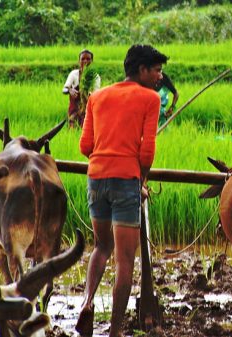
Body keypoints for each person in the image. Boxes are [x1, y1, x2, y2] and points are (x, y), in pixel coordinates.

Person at [76, 45, 166, 337]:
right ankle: (114, 331)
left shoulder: (98, 97)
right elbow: (148, 152)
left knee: (102, 247)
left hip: (96, 178)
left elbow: (85, 147)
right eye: (156, 70)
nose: (160, 77)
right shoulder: (150, 99)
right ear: (141, 70)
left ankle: (87, 302)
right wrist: (140, 182)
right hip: (125, 180)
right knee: (125, 259)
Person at [63, 49, 101, 128]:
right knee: (72, 128)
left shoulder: (95, 77)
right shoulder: (74, 74)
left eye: (88, 59)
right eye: (83, 59)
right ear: (79, 61)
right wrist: (70, 90)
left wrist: (87, 95)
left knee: (86, 130)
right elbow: (64, 89)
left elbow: (96, 94)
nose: (85, 61)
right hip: (74, 110)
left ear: (92, 61)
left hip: (88, 110)